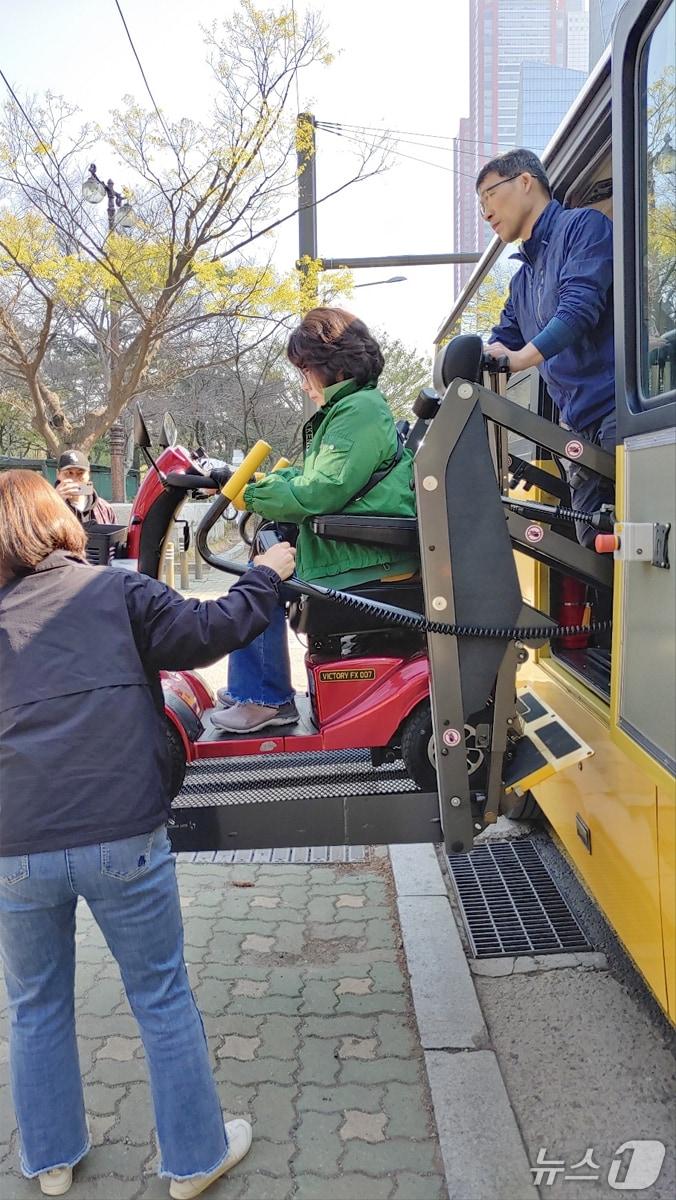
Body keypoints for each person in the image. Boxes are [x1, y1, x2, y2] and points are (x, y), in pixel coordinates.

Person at [0, 470, 295, 1199]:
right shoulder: (113, 592)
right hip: (123, 831)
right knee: (160, 995)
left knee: (35, 1004)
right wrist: (266, 573)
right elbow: (211, 630)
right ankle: (194, 1162)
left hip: (15, 846)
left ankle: (51, 1160)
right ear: (58, 521)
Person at [213, 306, 418, 735]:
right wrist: (266, 483)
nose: (304, 383)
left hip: (367, 555)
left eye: (305, 371)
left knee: (262, 581)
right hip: (360, 547)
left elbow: (321, 491)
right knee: (262, 565)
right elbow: (313, 477)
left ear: (333, 364)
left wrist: (252, 493)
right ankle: (254, 687)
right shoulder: (351, 410)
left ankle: (265, 697)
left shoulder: (358, 411)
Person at [477, 148, 616, 547]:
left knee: (633, 543)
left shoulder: (583, 226)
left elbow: (579, 308)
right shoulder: (522, 281)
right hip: (578, 429)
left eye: (489, 195)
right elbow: (499, 344)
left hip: (616, 412)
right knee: (593, 548)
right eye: (480, 204)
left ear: (525, 181)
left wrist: (521, 358)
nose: (485, 212)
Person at [54, 449, 117, 525]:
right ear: (58, 474)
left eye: (80, 473)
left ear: (88, 475)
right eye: (69, 473)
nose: (74, 479)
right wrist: (55, 502)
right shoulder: (46, 506)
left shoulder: (104, 508)